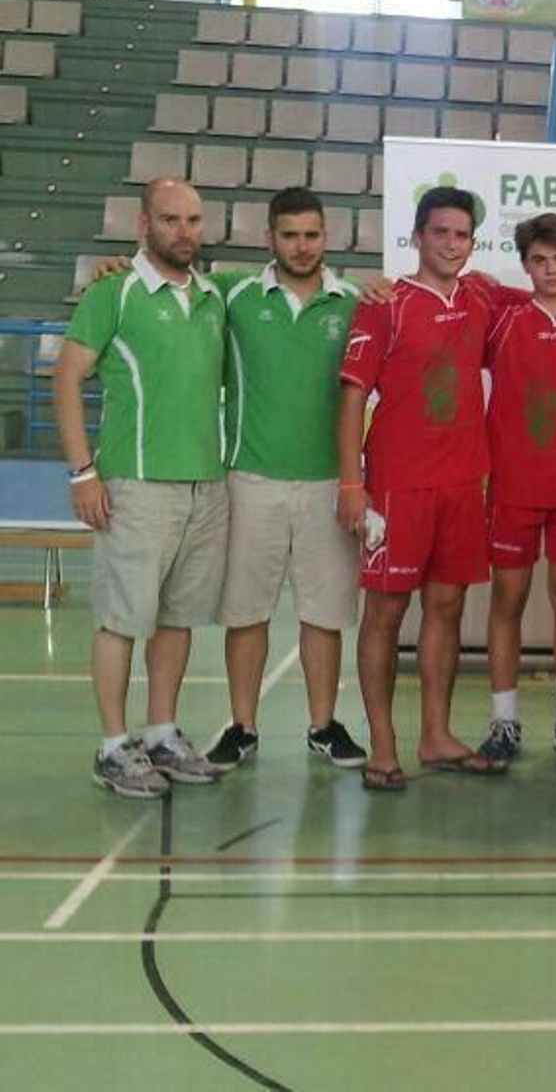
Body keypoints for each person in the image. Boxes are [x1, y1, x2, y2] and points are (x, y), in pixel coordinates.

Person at [53, 178, 227, 797]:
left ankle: (161, 734)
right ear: (143, 224)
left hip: (206, 486)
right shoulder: (113, 292)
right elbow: (67, 377)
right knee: (122, 621)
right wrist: (83, 471)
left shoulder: (213, 296)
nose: (184, 231)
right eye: (171, 219)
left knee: (178, 620)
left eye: (194, 220)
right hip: (135, 483)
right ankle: (111, 746)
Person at [187, 187, 366, 771]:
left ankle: (323, 724)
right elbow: (170, 275)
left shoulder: (354, 302)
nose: (302, 246)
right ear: (269, 238)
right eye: (289, 235)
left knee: (325, 613)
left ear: (327, 237)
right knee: (246, 612)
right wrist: (114, 269)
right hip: (251, 482)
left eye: (311, 235)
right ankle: (242, 727)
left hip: (328, 485)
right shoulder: (234, 295)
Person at [335, 186, 500, 790]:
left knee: (447, 609)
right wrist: (352, 482)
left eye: (461, 235)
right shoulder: (386, 303)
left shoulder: (482, 296)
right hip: (397, 487)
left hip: (462, 482)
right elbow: (352, 394)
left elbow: (545, 293)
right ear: (417, 238)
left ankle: (436, 734)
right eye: (440, 233)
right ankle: (383, 745)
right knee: (384, 613)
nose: (452, 244)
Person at [476, 213, 556, 768]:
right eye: (539, 260)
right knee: (506, 601)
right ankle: (504, 722)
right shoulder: (501, 317)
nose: (550, 270)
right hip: (514, 486)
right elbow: (472, 284)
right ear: (525, 264)